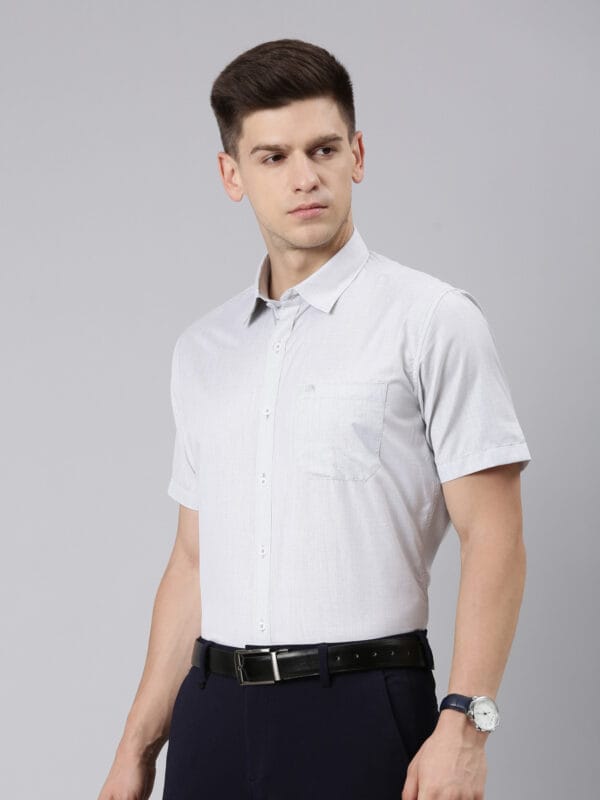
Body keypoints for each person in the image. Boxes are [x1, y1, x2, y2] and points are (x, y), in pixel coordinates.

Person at [97, 38, 531, 800]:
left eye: (324, 149)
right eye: (272, 157)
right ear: (232, 174)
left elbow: (495, 535)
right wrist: (136, 745)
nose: (305, 178)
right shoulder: (202, 351)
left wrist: (465, 724)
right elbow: (193, 562)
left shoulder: (431, 321)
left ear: (356, 155)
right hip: (212, 714)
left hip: (360, 709)